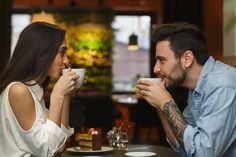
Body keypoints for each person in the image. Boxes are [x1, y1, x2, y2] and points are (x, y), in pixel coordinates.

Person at [136, 22, 236, 157]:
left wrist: (166, 102)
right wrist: (159, 104)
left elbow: (203, 153)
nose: (156, 69)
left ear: (187, 58)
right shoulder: (196, 88)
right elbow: (183, 146)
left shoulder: (221, 84)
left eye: (162, 60)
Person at [0, 22, 79, 157]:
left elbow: (60, 144)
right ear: (41, 54)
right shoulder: (18, 90)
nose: (66, 61)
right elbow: (48, 150)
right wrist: (57, 95)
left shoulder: (35, 90)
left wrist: (65, 95)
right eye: (62, 52)